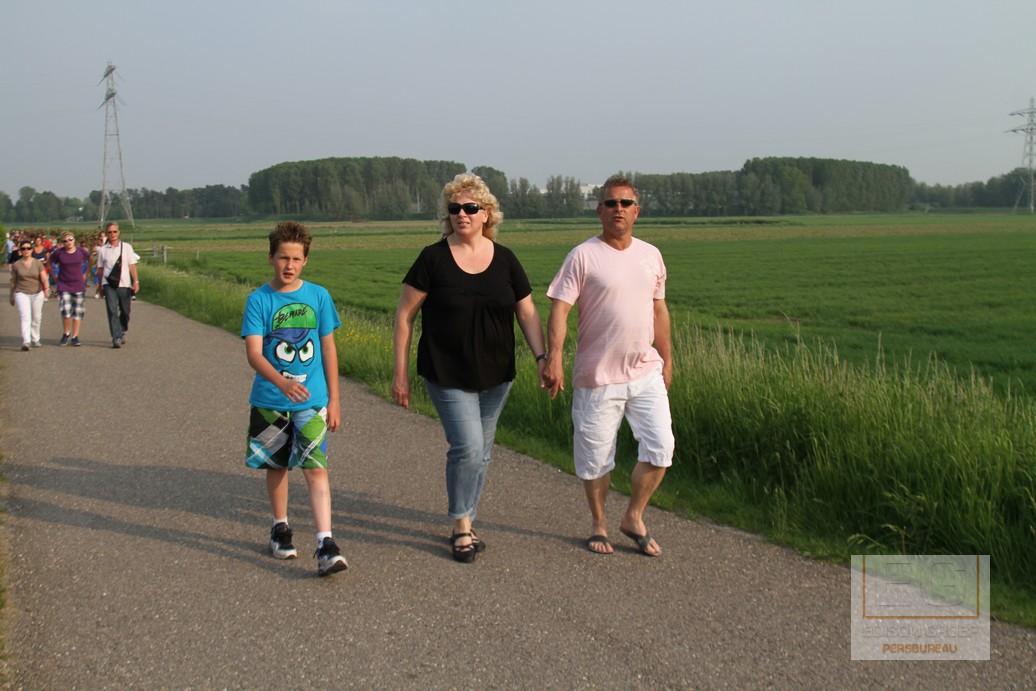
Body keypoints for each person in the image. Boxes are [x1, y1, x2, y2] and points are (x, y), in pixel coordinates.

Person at [392, 173, 548, 563]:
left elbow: (527, 313)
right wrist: (400, 374)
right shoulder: (432, 258)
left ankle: (468, 517)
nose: (461, 214)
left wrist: (542, 358)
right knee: (469, 447)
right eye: (454, 208)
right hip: (446, 372)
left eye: (470, 208)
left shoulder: (506, 259)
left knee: (483, 451)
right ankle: (461, 525)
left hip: (496, 375)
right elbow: (405, 317)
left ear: (486, 214)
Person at [543, 176, 675, 557]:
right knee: (596, 458)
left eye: (625, 203)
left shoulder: (651, 255)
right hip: (598, 376)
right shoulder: (582, 256)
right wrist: (554, 358)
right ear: (599, 211)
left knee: (661, 447)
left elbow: (659, 310)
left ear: (637, 211)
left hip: (645, 371)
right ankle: (599, 523)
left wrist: (667, 359)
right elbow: (560, 310)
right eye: (611, 203)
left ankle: (633, 516)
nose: (619, 209)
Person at [241, 221, 348, 577]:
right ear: (271, 257)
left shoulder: (319, 296)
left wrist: (334, 399)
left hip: (312, 401)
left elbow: (328, 349)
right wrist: (282, 383)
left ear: (305, 261)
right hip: (270, 400)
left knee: (316, 468)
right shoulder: (259, 300)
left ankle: (325, 543)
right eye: (283, 257)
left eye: (296, 259)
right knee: (277, 466)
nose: (289, 265)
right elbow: (254, 353)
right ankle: (280, 527)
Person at [94, 222, 139, 348]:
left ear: (118, 232)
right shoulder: (103, 250)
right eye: (110, 232)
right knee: (112, 309)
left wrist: (136, 281)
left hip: (124, 283)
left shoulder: (127, 247)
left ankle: (122, 329)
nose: (112, 234)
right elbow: (100, 269)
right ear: (106, 234)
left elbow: (132, 266)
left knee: (125, 310)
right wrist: (100, 286)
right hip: (108, 283)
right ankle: (116, 337)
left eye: (114, 231)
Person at [49, 231, 93, 346]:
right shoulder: (59, 253)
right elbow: (49, 261)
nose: (68, 242)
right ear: (62, 243)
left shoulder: (81, 251)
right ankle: (66, 333)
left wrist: (86, 273)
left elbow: (90, 259)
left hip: (78, 285)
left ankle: (75, 336)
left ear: (74, 240)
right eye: (65, 241)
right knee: (66, 311)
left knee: (78, 312)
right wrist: (54, 276)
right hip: (64, 284)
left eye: (70, 239)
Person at [8, 239, 49, 350]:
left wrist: (46, 289)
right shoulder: (16, 264)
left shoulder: (37, 263)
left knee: (37, 317)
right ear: (20, 251)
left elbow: (44, 278)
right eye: (23, 248)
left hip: (37, 293)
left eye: (28, 248)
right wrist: (11, 295)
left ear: (31, 250)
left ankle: (35, 338)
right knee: (25, 316)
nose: (26, 250)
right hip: (21, 292)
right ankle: (26, 341)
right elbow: (13, 281)